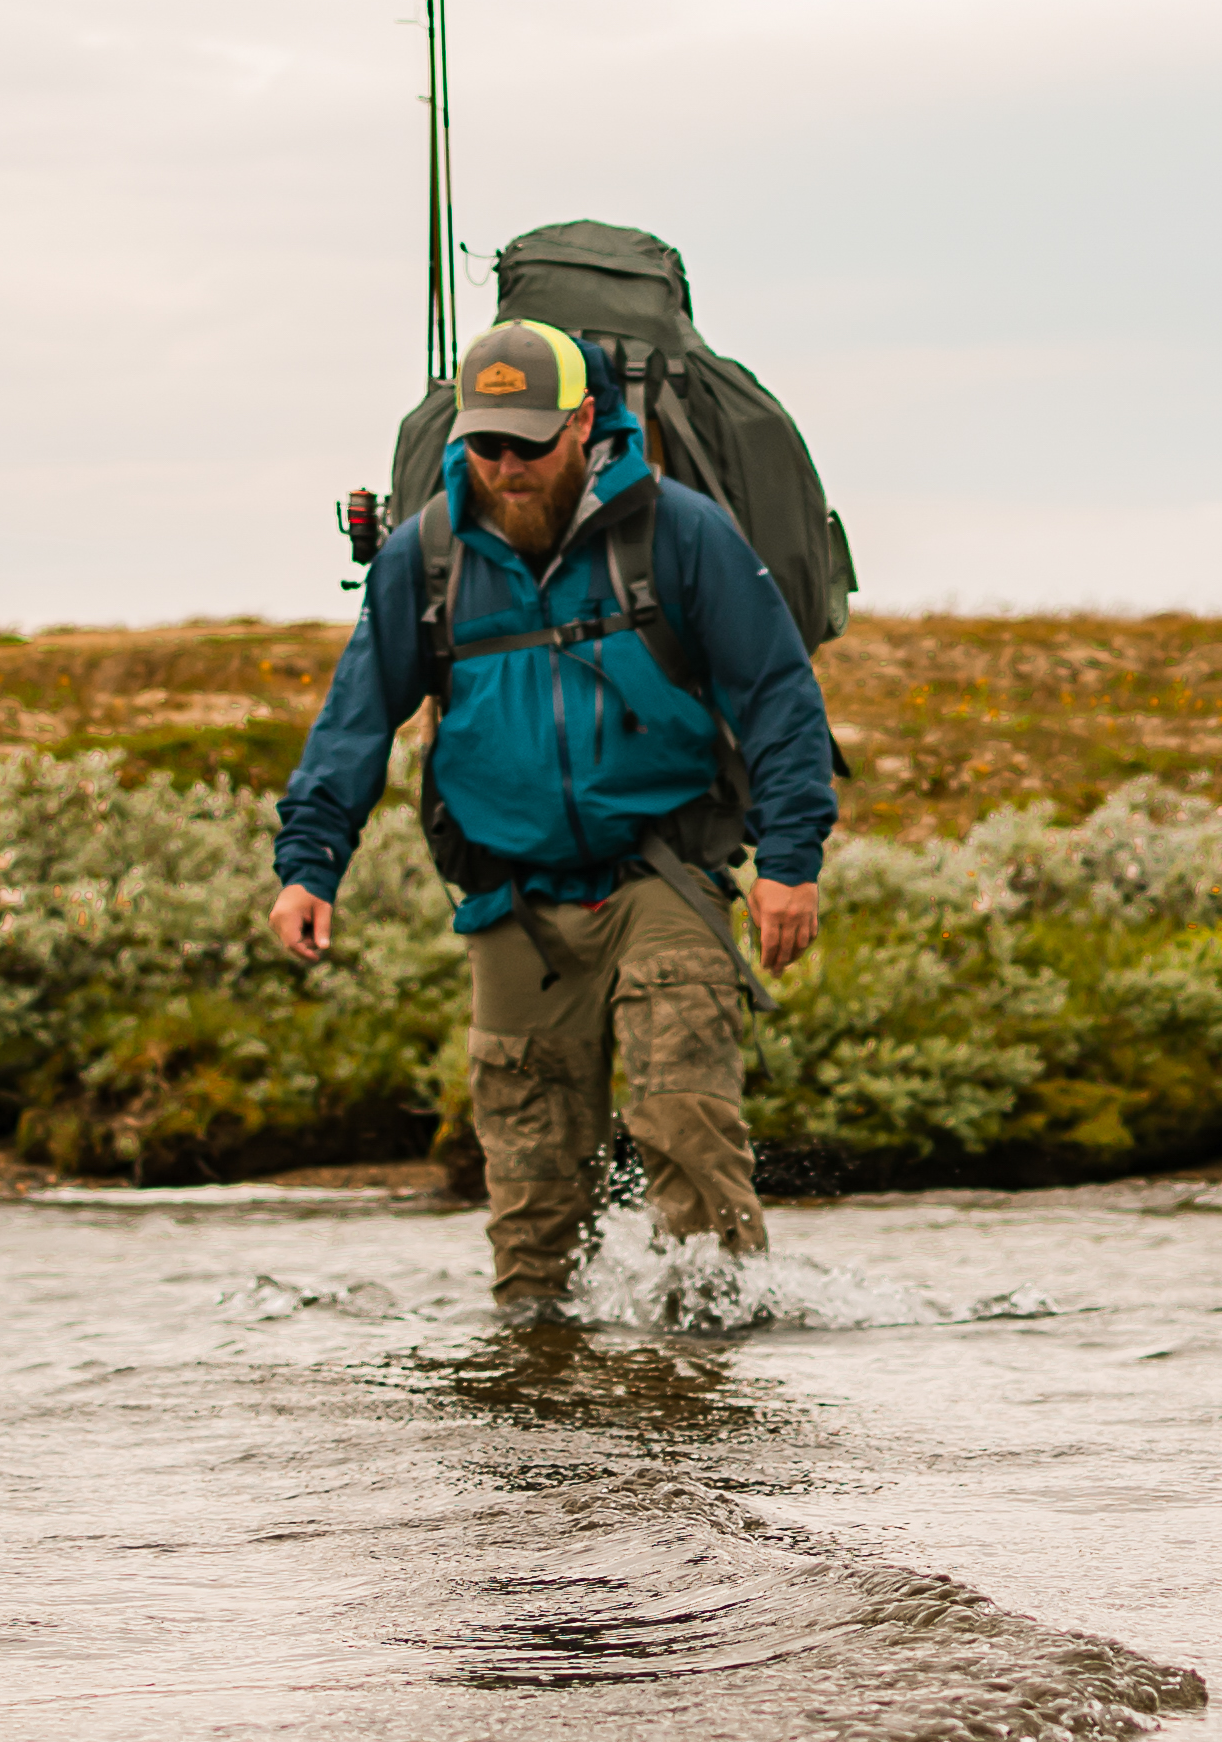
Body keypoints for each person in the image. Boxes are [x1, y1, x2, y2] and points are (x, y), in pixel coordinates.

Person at [271, 317, 836, 1311]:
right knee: (531, 1210)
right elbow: (356, 716)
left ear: (583, 422)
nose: (503, 466)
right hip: (512, 901)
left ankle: (717, 1374)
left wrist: (791, 859)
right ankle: (537, 1409)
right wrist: (310, 862)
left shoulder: (681, 530)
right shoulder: (425, 556)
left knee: (684, 1126)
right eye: (483, 443)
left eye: (528, 443)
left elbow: (779, 696)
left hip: (660, 872)